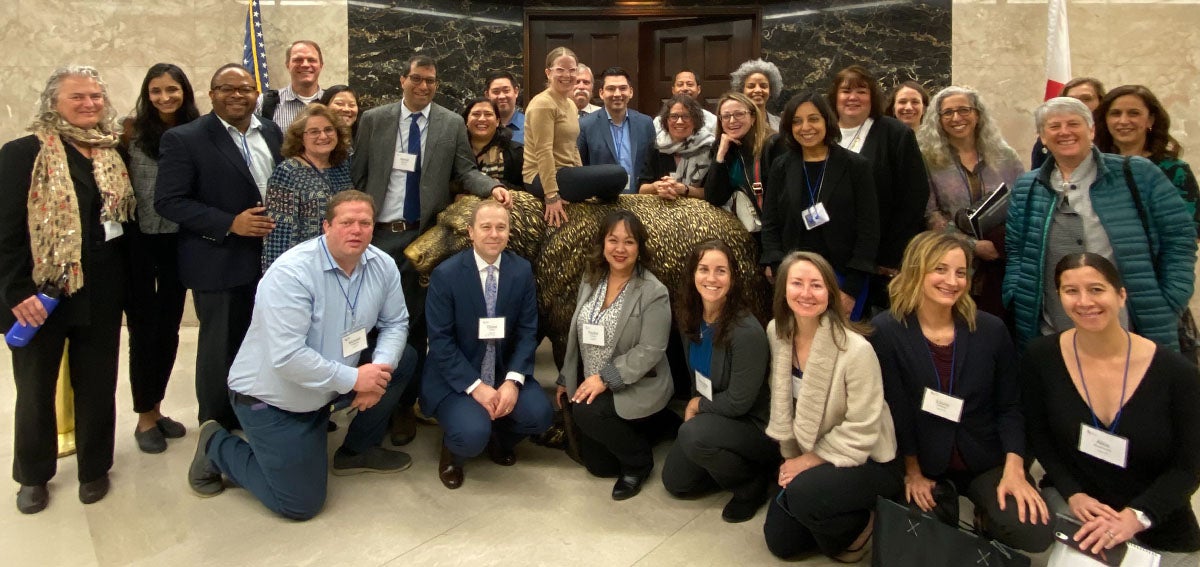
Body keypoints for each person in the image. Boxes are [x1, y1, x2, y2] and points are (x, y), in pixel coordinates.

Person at [187, 191, 418, 521]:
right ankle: (216, 446)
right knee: (300, 504)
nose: (356, 230)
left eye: (364, 223)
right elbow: (288, 357)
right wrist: (356, 379)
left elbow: (396, 322)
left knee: (402, 359)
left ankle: (356, 450)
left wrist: (378, 370)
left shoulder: (381, 265)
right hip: (274, 398)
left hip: (330, 381)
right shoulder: (292, 273)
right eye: (346, 222)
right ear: (326, 226)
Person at [352, 54, 512, 447]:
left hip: (422, 239)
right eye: (417, 79)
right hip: (377, 237)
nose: (424, 87)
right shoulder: (374, 120)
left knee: (416, 323)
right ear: (403, 79)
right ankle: (367, 398)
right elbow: (357, 175)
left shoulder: (450, 123)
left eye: (431, 82)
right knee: (369, 321)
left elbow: (464, 170)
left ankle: (405, 404)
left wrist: (490, 188)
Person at [0, 65, 135, 514]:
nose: (89, 104)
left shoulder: (112, 152)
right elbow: (6, 232)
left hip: (102, 290)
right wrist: (17, 292)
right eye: (78, 97)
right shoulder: (24, 154)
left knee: (98, 383)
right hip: (40, 295)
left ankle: (95, 468)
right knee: (36, 389)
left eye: (96, 96)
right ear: (53, 102)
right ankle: (33, 475)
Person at [871, 232, 1052, 553]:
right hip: (924, 458)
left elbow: (1010, 406)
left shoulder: (991, 329)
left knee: (1034, 532)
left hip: (984, 453)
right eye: (940, 270)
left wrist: (1016, 469)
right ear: (917, 270)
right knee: (919, 541)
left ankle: (985, 514)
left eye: (961, 272)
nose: (952, 281)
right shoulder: (887, 330)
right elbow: (896, 408)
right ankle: (947, 506)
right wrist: (911, 471)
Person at [1022, 253, 1200, 565]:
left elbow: (1190, 466)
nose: (1084, 302)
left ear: (1121, 295)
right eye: (1071, 291)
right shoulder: (1041, 357)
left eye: (1096, 289)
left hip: (1155, 517)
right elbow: (1041, 437)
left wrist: (1137, 516)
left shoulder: (1176, 373)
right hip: (1077, 506)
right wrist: (1073, 494)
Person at [1004, 97, 1196, 351]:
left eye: (1074, 124)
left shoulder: (1138, 173)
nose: (1065, 132)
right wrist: (1016, 294)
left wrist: (1169, 300)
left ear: (1092, 130)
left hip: (1134, 325)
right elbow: (1016, 250)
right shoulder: (1027, 187)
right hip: (1052, 329)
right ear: (1042, 137)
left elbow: (1179, 240)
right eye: (1054, 126)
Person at [156, 64, 283, 431]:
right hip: (219, 259)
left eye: (245, 88)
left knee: (264, 341)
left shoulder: (271, 132)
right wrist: (229, 223)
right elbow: (169, 201)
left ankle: (254, 413)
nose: (237, 95)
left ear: (256, 94)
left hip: (271, 259)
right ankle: (215, 428)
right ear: (211, 94)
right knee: (220, 348)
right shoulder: (185, 138)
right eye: (226, 88)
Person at [762, 251, 901, 562]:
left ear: (831, 293)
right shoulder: (777, 332)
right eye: (797, 283)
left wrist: (808, 462)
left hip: (867, 458)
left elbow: (864, 427)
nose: (806, 293)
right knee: (780, 542)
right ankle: (828, 506)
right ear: (784, 289)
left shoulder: (856, 350)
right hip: (811, 451)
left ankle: (865, 521)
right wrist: (794, 458)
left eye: (817, 285)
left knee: (804, 496)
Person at [421, 200, 553, 490]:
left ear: (508, 232)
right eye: (486, 227)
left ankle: (497, 437)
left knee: (540, 415)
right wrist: (475, 387)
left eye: (501, 227)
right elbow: (440, 342)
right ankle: (454, 451)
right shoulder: (446, 275)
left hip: (503, 369)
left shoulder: (521, 271)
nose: (494, 234)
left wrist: (512, 382)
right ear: (470, 232)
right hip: (459, 376)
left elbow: (527, 331)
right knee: (470, 435)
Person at [558, 210, 677, 501]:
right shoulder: (591, 280)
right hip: (593, 381)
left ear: (640, 248)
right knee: (599, 466)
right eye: (613, 240)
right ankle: (657, 427)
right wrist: (565, 377)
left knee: (586, 411)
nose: (620, 249)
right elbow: (576, 332)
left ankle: (639, 463)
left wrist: (605, 379)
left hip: (636, 383)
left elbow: (651, 350)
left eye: (629, 242)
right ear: (603, 243)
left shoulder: (653, 292)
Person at [661, 240, 775, 523]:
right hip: (715, 418)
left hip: (753, 425)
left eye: (720, 271)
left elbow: (739, 402)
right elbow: (695, 379)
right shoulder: (691, 317)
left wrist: (697, 406)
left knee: (692, 437)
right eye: (703, 269)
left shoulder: (746, 331)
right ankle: (724, 461)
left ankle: (751, 485)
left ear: (733, 278)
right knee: (676, 483)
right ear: (692, 274)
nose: (711, 279)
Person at [121, 63, 199, 454]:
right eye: (156, 91)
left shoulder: (197, 130)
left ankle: (157, 406)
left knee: (168, 330)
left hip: (180, 242)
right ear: (147, 94)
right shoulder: (130, 132)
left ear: (184, 91)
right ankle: (143, 417)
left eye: (172, 89)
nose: (165, 97)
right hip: (139, 244)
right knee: (143, 330)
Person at [761, 92, 879, 321]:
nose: (805, 127)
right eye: (797, 121)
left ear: (827, 121)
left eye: (813, 118)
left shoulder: (856, 166)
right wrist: (776, 266)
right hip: (795, 276)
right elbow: (770, 221)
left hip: (844, 277)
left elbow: (869, 229)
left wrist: (851, 288)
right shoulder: (782, 166)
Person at [917, 85, 1024, 319]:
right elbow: (930, 213)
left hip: (1003, 261)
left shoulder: (1006, 157)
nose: (957, 118)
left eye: (964, 110)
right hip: (949, 264)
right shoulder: (927, 159)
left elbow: (1022, 203)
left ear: (977, 114)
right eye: (948, 113)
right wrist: (972, 245)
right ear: (938, 119)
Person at [828, 65, 930, 308]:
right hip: (829, 254)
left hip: (879, 260)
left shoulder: (895, 134)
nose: (853, 97)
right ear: (834, 97)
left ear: (872, 96)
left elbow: (914, 197)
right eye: (846, 91)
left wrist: (892, 254)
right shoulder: (823, 133)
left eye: (861, 91)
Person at [522, 48, 627, 227]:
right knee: (618, 174)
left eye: (572, 70)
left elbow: (573, 147)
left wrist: (581, 174)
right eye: (560, 70)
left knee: (616, 179)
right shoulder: (543, 104)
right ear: (548, 73)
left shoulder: (570, 104)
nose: (567, 75)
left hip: (566, 173)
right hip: (541, 177)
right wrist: (552, 196)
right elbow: (543, 151)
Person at [1094, 84, 1200, 235]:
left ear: (1150, 120)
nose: (1123, 121)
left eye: (1133, 113)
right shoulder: (1093, 166)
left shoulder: (1174, 170)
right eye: (1115, 114)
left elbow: (1189, 230)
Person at [261, 103, 354, 270]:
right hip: (306, 266)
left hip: (343, 261)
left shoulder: (343, 166)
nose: (323, 136)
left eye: (329, 129)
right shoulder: (287, 173)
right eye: (314, 132)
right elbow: (279, 236)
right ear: (300, 137)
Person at [703, 92, 779, 238]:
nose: (732, 121)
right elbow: (714, 197)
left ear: (753, 117)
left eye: (739, 114)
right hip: (746, 232)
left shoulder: (773, 144)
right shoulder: (724, 147)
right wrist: (720, 155)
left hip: (774, 230)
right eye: (726, 116)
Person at [578, 66, 657, 194]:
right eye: (611, 89)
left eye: (622, 88)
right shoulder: (585, 125)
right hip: (601, 202)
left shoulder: (645, 123)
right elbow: (580, 168)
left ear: (631, 92)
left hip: (638, 201)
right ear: (601, 93)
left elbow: (652, 165)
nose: (617, 94)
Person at [637, 94, 713, 201]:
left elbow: (713, 193)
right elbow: (641, 190)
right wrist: (657, 187)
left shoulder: (709, 147)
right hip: (662, 214)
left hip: (698, 214)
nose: (679, 121)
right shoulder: (656, 147)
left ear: (695, 120)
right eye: (674, 116)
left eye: (686, 116)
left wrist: (685, 190)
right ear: (666, 120)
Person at [1031, 77, 1105, 170]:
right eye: (1071, 100)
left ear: (1101, 102)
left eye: (1086, 99)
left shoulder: (1111, 134)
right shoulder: (1047, 140)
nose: (1078, 104)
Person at [259, 40, 325, 128]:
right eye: (298, 60)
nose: (305, 64)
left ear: (321, 65)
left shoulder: (333, 103)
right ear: (287, 65)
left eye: (311, 60)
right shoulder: (263, 103)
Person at [462, 98, 524, 190]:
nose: (482, 119)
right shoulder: (456, 149)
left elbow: (527, 189)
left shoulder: (516, 151)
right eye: (476, 114)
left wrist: (498, 185)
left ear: (497, 121)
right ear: (466, 120)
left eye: (488, 114)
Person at [656, 70, 717, 135]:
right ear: (673, 90)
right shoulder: (658, 122)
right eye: (680, 84)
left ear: (698, 89)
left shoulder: (712, 120)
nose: (685, 88)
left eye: (690, 84)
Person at [730, 58, 783, 131]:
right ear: (742, 90)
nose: (758, 90)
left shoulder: (780, 124)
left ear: (771, 90)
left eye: (763, 86)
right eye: (751, 86)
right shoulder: (732, 123)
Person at [484, 71, 525, 144]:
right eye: (496, 92)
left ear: (516, 92)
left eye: (506, 91)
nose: (502, 96)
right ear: (487, 95)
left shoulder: (529, 125)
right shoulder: (480, 126)